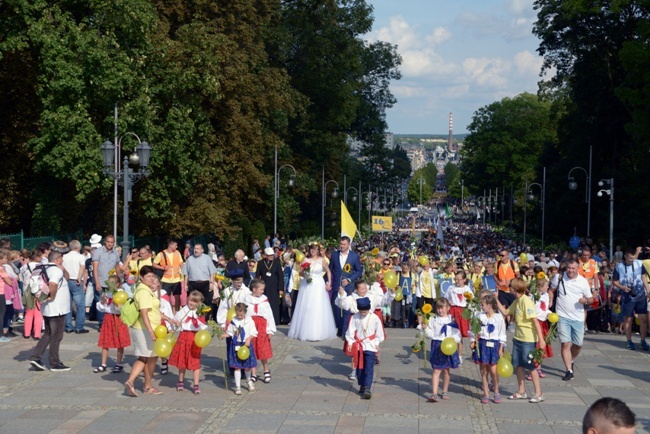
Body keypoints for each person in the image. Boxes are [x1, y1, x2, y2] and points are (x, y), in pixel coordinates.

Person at [124, 266, 178, 397]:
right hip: (145, 329)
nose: (151, 279)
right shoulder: (143, 292)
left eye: (152, 276)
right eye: (148, 276)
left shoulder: (146, 290)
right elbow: (144, 313)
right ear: (141, 277)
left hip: (147, 328)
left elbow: (153, 311)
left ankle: (133, 382)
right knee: (151, 358)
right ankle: (144, 385)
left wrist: (169, 319)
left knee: (144, 357)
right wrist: (150, 331)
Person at [498, 277, 546, 403]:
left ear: (514, 289)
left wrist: (541, 340)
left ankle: (538, 393)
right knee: (518, 365)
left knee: (531, 366)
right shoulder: (517, 301)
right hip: (518, 338)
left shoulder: (526, 301)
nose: (509, 288)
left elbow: (535, 321)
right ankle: (521, 391)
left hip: (528, 339)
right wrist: (495, 299)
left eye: (511, 287)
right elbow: (506, 311)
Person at [550, 260, 594, 381]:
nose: (570, 270)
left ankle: (572, 359)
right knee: (565, 343)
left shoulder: (583, 281)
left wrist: (585, 301)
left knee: (578, 344)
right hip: (562, 316)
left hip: (578, 317)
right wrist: (550, 300)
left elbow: (591, 299)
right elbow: (551, 290)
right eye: (569, 268)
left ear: (578, 268)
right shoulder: (558, 278)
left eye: (573, 268)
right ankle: (569, 370)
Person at [29, 251, 72, 371]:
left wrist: (63, 269)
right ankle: (54, 363)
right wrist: (52, 297)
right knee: (56, 336)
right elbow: (53, 284)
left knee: (48, 333)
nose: (63, 261)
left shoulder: (45, 268)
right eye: (62, 259)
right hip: (57, 308)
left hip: (47, 307)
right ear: (58, 259)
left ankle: (36, 357)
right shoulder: (55, 271)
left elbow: (66, 278)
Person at [288, 241, 337, 341]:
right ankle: (304, 330)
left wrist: (329, 283)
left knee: (317, 307)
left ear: (318, 250)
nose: (313, 251)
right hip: (307, 284)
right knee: (306, 306)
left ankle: (317, 332)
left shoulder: (321, 260)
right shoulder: (305, 259)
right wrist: (304, 274)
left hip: (318, 284)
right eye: (311, 249)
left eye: (315, 249)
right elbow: (300, 273)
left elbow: (328, 271)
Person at [422, 297, 461, 403]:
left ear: (448, 308)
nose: (440, 310)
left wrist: (453, 340)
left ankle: (445, 391)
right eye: (438, 308)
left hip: (448, 345)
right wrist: (425, 329)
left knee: (446, 370)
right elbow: (431, 334)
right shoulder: (433, 319)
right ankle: (434, 393)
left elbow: (457, 334)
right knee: (436, 369)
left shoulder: (451, 320)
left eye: (442, 308)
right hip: (437, 345)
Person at [169, 290, 209, 395]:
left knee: (195, 361)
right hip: (184, 336)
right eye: (191, 300)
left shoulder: (200, 312)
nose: (192, 303)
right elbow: (176, 320)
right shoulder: (183, 310)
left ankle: (196, 385)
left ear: (199, 303)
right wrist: (176, 323)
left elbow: (203, 326)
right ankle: (181, 381)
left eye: (195, 302)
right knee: (182, 360)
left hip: (195, 338)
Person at [470, 293, 506, 404]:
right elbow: (474, 330)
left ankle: (496, 391)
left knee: (494, 371)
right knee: (483, 370)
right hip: (482, 343)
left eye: (483, 305)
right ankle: (486, 393)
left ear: (490, 305)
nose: (481, 307)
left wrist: (501, 348)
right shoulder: (480, 317)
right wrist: (473, 340)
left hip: (494, 344)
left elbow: (502, 334)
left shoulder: (498, 318)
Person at [346, 297, 385, 399]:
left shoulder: (374, 318)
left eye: (365, 311)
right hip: (359, 346)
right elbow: (350, 331)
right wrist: (351, 342)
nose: (363, 313)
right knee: (359, 367)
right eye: (361, 311)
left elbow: (380, 333)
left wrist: (377, 342)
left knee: (369, 367)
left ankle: (368, 387)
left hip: (370, 345)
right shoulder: (355, 317)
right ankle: (362, 384)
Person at [613, 247, 649, 351]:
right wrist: (623, 288)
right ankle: (629, 341)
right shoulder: (619, 266)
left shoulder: (639, 263)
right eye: (630, 258)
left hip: (640, 295)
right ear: (625, 256)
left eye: (633, 258)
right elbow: (614, 281)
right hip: (627, 296)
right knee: (628, 319)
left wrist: (648, 291)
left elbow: (643, 277)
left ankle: (643, 341)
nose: (632, 260)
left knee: (643, 319)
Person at [94, 275, 131, 373]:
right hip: (108, 318)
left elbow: (123, 308)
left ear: (118, 284)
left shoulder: (121, 293)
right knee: (105, 342)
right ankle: (103, 364)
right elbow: (100, 308)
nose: (110, 285)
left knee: (120, 342)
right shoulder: (107, 293)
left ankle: (118, 363)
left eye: (112, 283)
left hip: (118, 319)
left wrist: (117, 304)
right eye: (108, 283)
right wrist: (102, 301)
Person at [216, 268, 251, 370]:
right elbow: (223, 308)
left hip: (243, 321)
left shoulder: (246, 291)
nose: (239, 284)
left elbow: (249, 307)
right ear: (232, 281)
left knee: (243, 342)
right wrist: (222, 323)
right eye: (236, 282)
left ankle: (243, 365)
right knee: (231, 343)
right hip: (231, 322)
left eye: (240, 281)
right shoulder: (227, 292)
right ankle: (232, 366)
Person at [329, 236, 363, 336]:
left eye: (344, 244)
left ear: (348, 245)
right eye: (341, 244)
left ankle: (345, 330)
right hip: (336, 285)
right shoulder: (335, 255)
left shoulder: (354, 256)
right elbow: (330, 269)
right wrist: (328, 281)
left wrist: (349, 279)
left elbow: (358, 271)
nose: (342, 246)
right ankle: (339, 328)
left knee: (347, 309)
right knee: (336, 308)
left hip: (349, 287)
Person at [245, 279, 276, 384]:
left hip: (262, 326)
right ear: (254, 289)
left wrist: (270, 330)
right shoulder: (246, 300)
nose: (263, 291)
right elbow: (244, 315)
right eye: (261, 289)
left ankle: (266, 370)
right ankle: (253, 373)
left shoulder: (264, 300)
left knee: (263, 349)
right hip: (251, 326)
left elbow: (269, 315)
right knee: (251, 349)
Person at [226, 302, 258, 395]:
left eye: (241, 315)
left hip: (246, 345)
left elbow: (254, 332)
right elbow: (230, 332)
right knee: (237, 367)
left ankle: (249, 380)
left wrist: (249, 338)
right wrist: (224, 335)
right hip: (236, 344)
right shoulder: (234, 321)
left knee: (247, 366)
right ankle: (237, 386)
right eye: (238, 315)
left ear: (245, 312)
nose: (239, 317)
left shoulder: (249, 321)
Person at [92, 234, 121, 331]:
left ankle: (111, 322)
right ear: (105, 242)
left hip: (111, 282)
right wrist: (97, 282)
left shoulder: (115, 253)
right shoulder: (98, 252)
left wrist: (119, 280)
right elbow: (95, 268)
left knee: (112, 301)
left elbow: (117, 267)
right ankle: (101, 324)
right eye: (108, 242)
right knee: (101, 301)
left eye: (111, 242)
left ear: (114, 243)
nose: (109, 244)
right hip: (100, 280)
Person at [528, 273, 552, 380]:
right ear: (541, 286)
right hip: (535, 322)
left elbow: (545, 309)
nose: (548, 287)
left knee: (542, 346)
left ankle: (539, 368)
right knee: (535, 345)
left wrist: (550, 314)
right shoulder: (532, 296)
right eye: (546, 285)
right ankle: (532, 369)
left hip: (544, 322)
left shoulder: (546, 296)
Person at [445, 270, 471, 364]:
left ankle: (459, 356)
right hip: (453, 311)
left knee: (459, 335)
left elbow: (471, 302)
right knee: (451, 333)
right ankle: (449, 353)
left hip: (463, 312)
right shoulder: (451, 288)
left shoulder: (467, 289)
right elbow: (446, 299)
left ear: (464, 279)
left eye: (459, 280)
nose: (457, 281)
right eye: (455, 279)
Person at [63, 240, 88, 333]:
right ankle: (79, 327)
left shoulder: (64, 257)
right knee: (80, 306)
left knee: (67, 305)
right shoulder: (81, 257)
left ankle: (68, 326)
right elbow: (82, 267)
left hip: (66, 281)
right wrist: (79, 277)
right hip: (76, 281)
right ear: (79, 247)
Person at [153, 240, 184, 313]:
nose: (177, 247)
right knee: (167, 297)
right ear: (170, 245)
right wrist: (162, 268)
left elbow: (181, 263)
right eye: (175, 245)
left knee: (177, 297)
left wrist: (183, 271)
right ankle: (169, 312)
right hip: (166, 279)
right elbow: (154, 264)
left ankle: (176, 312)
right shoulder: (161, 254)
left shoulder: (177, 253)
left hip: (176, 279)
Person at [255, 247, 284, 325]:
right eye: (270, 255)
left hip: (274, 286)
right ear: (265, 255)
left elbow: (280, 276)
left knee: (274, 304)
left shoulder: (277, 262)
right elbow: (257, 275)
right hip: (264, 286)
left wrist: (281, 288)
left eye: (272, 255)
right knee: (264, 303)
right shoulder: (260, 263)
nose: (272, 256)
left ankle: (275, 320)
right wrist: (256, 286)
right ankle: (265, 319)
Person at [20, 250, 44, 340]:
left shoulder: (24, 267)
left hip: (27, 291)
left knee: (28, 313)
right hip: (38, 291)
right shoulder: (41, 267)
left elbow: (21, 279)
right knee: (38, 313)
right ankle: (37, 334)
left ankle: (26, 333)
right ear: (38, 257)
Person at [495, 249, 520, 319]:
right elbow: (494, 275)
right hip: (501, 290)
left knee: (512, 308)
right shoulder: (497, 264)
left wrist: (512, 282)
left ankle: (511, 323)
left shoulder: (513, 263)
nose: (500, 257)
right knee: (503, 308)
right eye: (500, 255)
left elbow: (518, 275)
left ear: (507, 256)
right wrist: (498, 282)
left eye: (502, 255)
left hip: (511, 290)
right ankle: (504, 325)